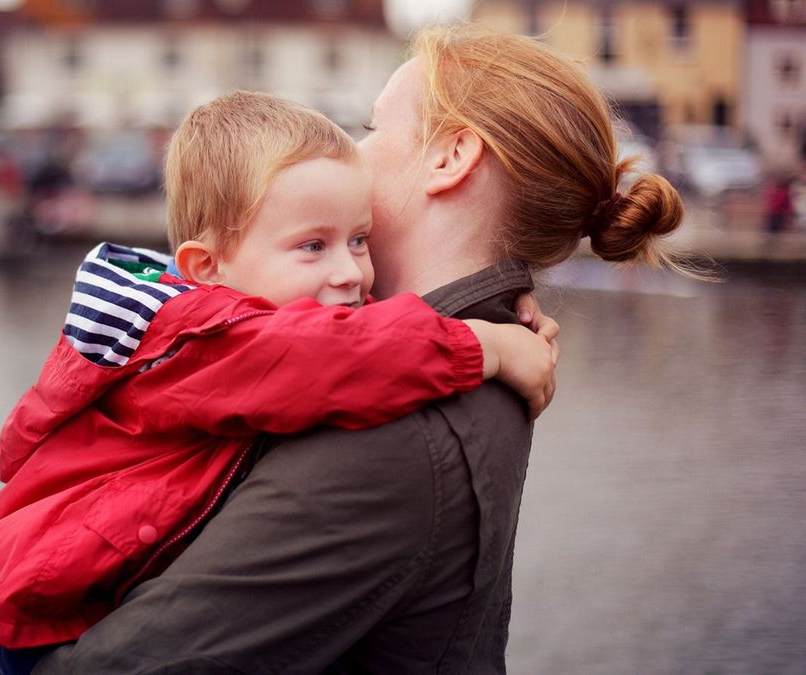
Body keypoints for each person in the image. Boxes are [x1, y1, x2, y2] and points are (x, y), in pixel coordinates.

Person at [35, 25, 688, 674]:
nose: (354, 150)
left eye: (374, 127)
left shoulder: (391, 435)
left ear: (450, 157)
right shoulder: (467, 350)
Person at [0, 92, 559, 674]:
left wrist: (497, 296)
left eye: (359, 239)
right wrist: (487, 345)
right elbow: (332, 358)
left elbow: (361, 329)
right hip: (57, 618)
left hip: (95, 581)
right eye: (312, 246)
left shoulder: (261, 307)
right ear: (206, 268)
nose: (349, 272)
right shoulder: (200, 339)